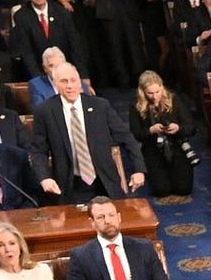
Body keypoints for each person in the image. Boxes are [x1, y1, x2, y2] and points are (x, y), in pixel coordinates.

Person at [30, 62, 144, 201]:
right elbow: (38, 150)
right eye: (64, 81)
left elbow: (126, 138)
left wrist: (138, 169)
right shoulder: (45, 111)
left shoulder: (100, 106)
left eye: (73, 80)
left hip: (105, 181)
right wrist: (44, 178)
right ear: (55, 84)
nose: (70, 86)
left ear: (80, 82)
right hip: (69, 185)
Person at [65, 196, 177, 280]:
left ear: (119, 217)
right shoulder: (81, 256)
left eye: (111, 215)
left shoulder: (143, 248)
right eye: (101, 217)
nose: (108, 221)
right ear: (92, 222)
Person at [128, 70, 195, 199]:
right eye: (150, 93)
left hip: (177, 147)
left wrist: (178, 128)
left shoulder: (174, 99)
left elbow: (191, 127)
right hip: (152, 150)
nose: (155, 96)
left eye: (157, 92)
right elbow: (135, 133)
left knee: (183, 189)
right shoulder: (136, 105)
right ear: (143, 92)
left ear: (162, 88)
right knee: (161, 190)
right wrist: (150, 130)